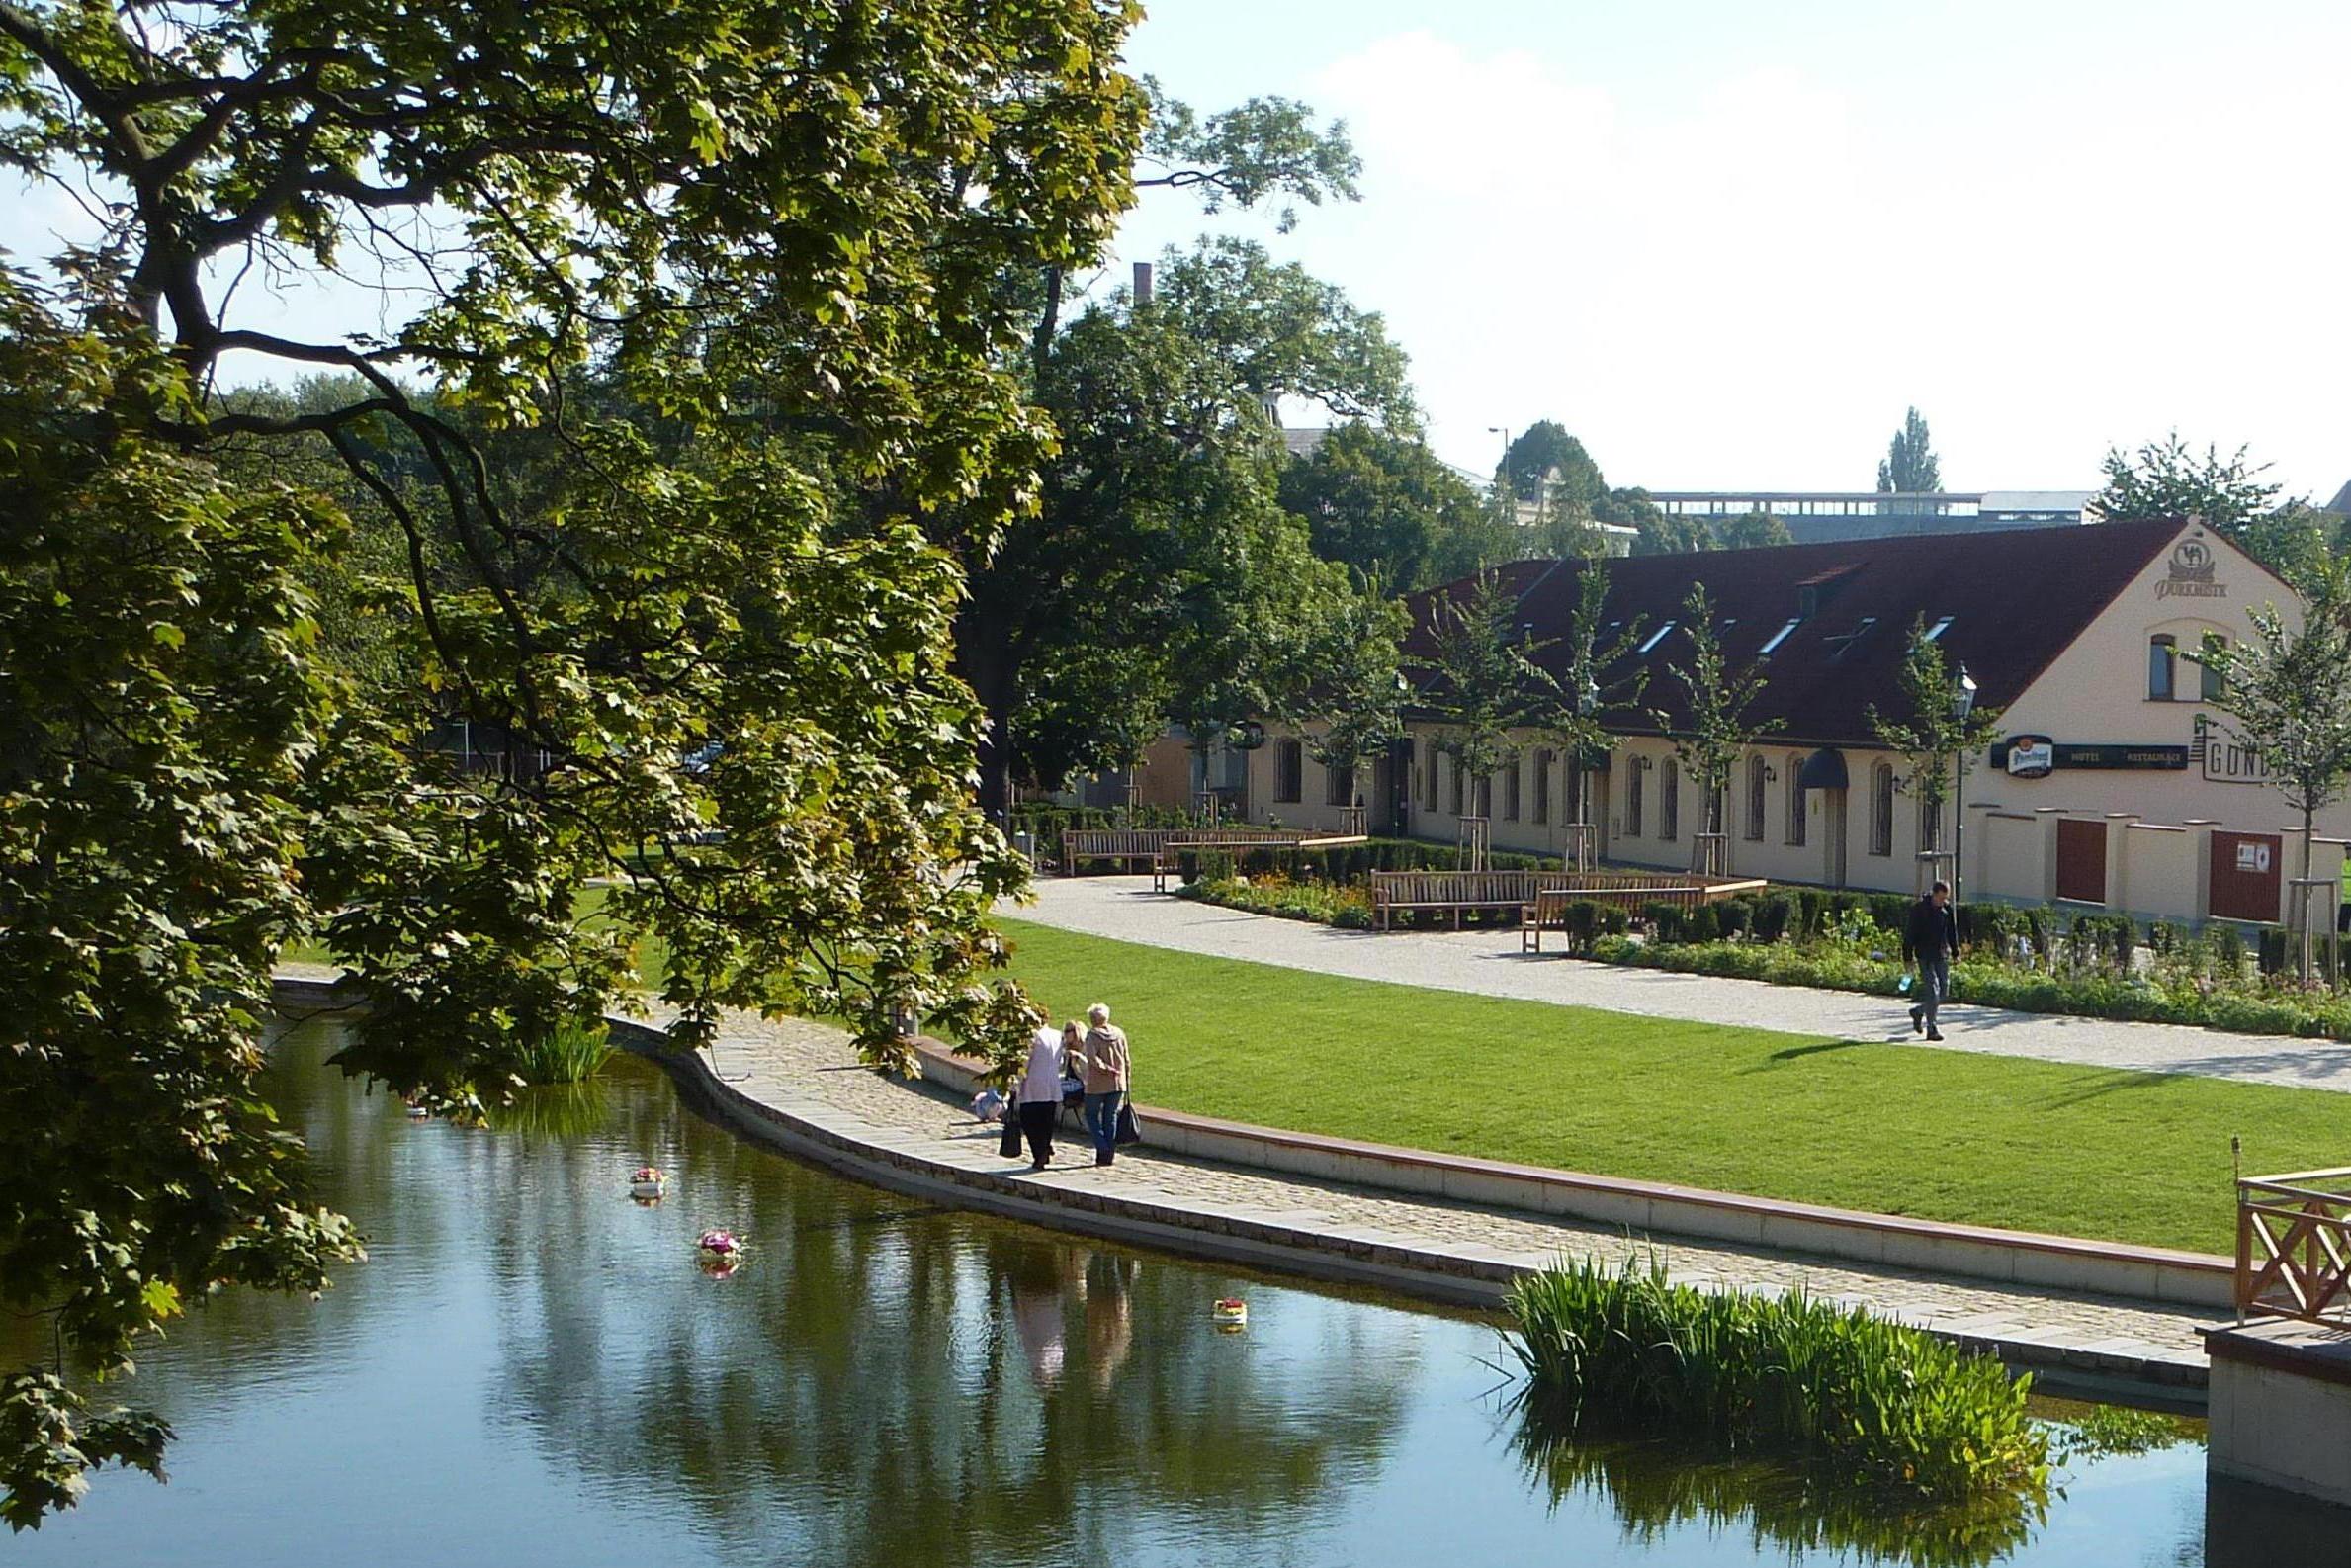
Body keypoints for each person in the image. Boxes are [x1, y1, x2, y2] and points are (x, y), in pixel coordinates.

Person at [1072, 1002, 1131, 1168]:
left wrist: (1106, 1068)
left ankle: (1102, 1147)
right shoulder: (1119, 1033)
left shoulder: (1092, 1036)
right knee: (1110, 1117)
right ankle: (1108, 1153)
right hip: (1117, 1083)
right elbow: (1126, 1059)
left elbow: (1092, 1058)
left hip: (1097, 1084)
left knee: (1090, 1115)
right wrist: (1125, 1079)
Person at [1903, 880, 1959, 1041]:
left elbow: (1951, 932)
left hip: (1941, 954)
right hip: (1925, 955)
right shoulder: (1919, 910)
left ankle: (1918, 1011)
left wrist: (1955, 952)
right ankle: (1932, 1028)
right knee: (1932, 991)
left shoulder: (1946, 910)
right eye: (1941, 898)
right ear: (1934, 894)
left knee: (1943, 991)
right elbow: (1910, 934)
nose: (1943, 901)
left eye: (1945, 898)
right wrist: (1908, 957)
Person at [1014, 1021, 1066, 1170]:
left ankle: (1040, 1152)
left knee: (1029, 1120)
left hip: (1033, 1083)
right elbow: (1060, 1060)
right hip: (1052, 1082)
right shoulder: (1057, 1035)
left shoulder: (1032, 1036)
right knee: (1047, 1120)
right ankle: (1044, 1147)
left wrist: (1015, 1084)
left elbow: (1024, 1062)